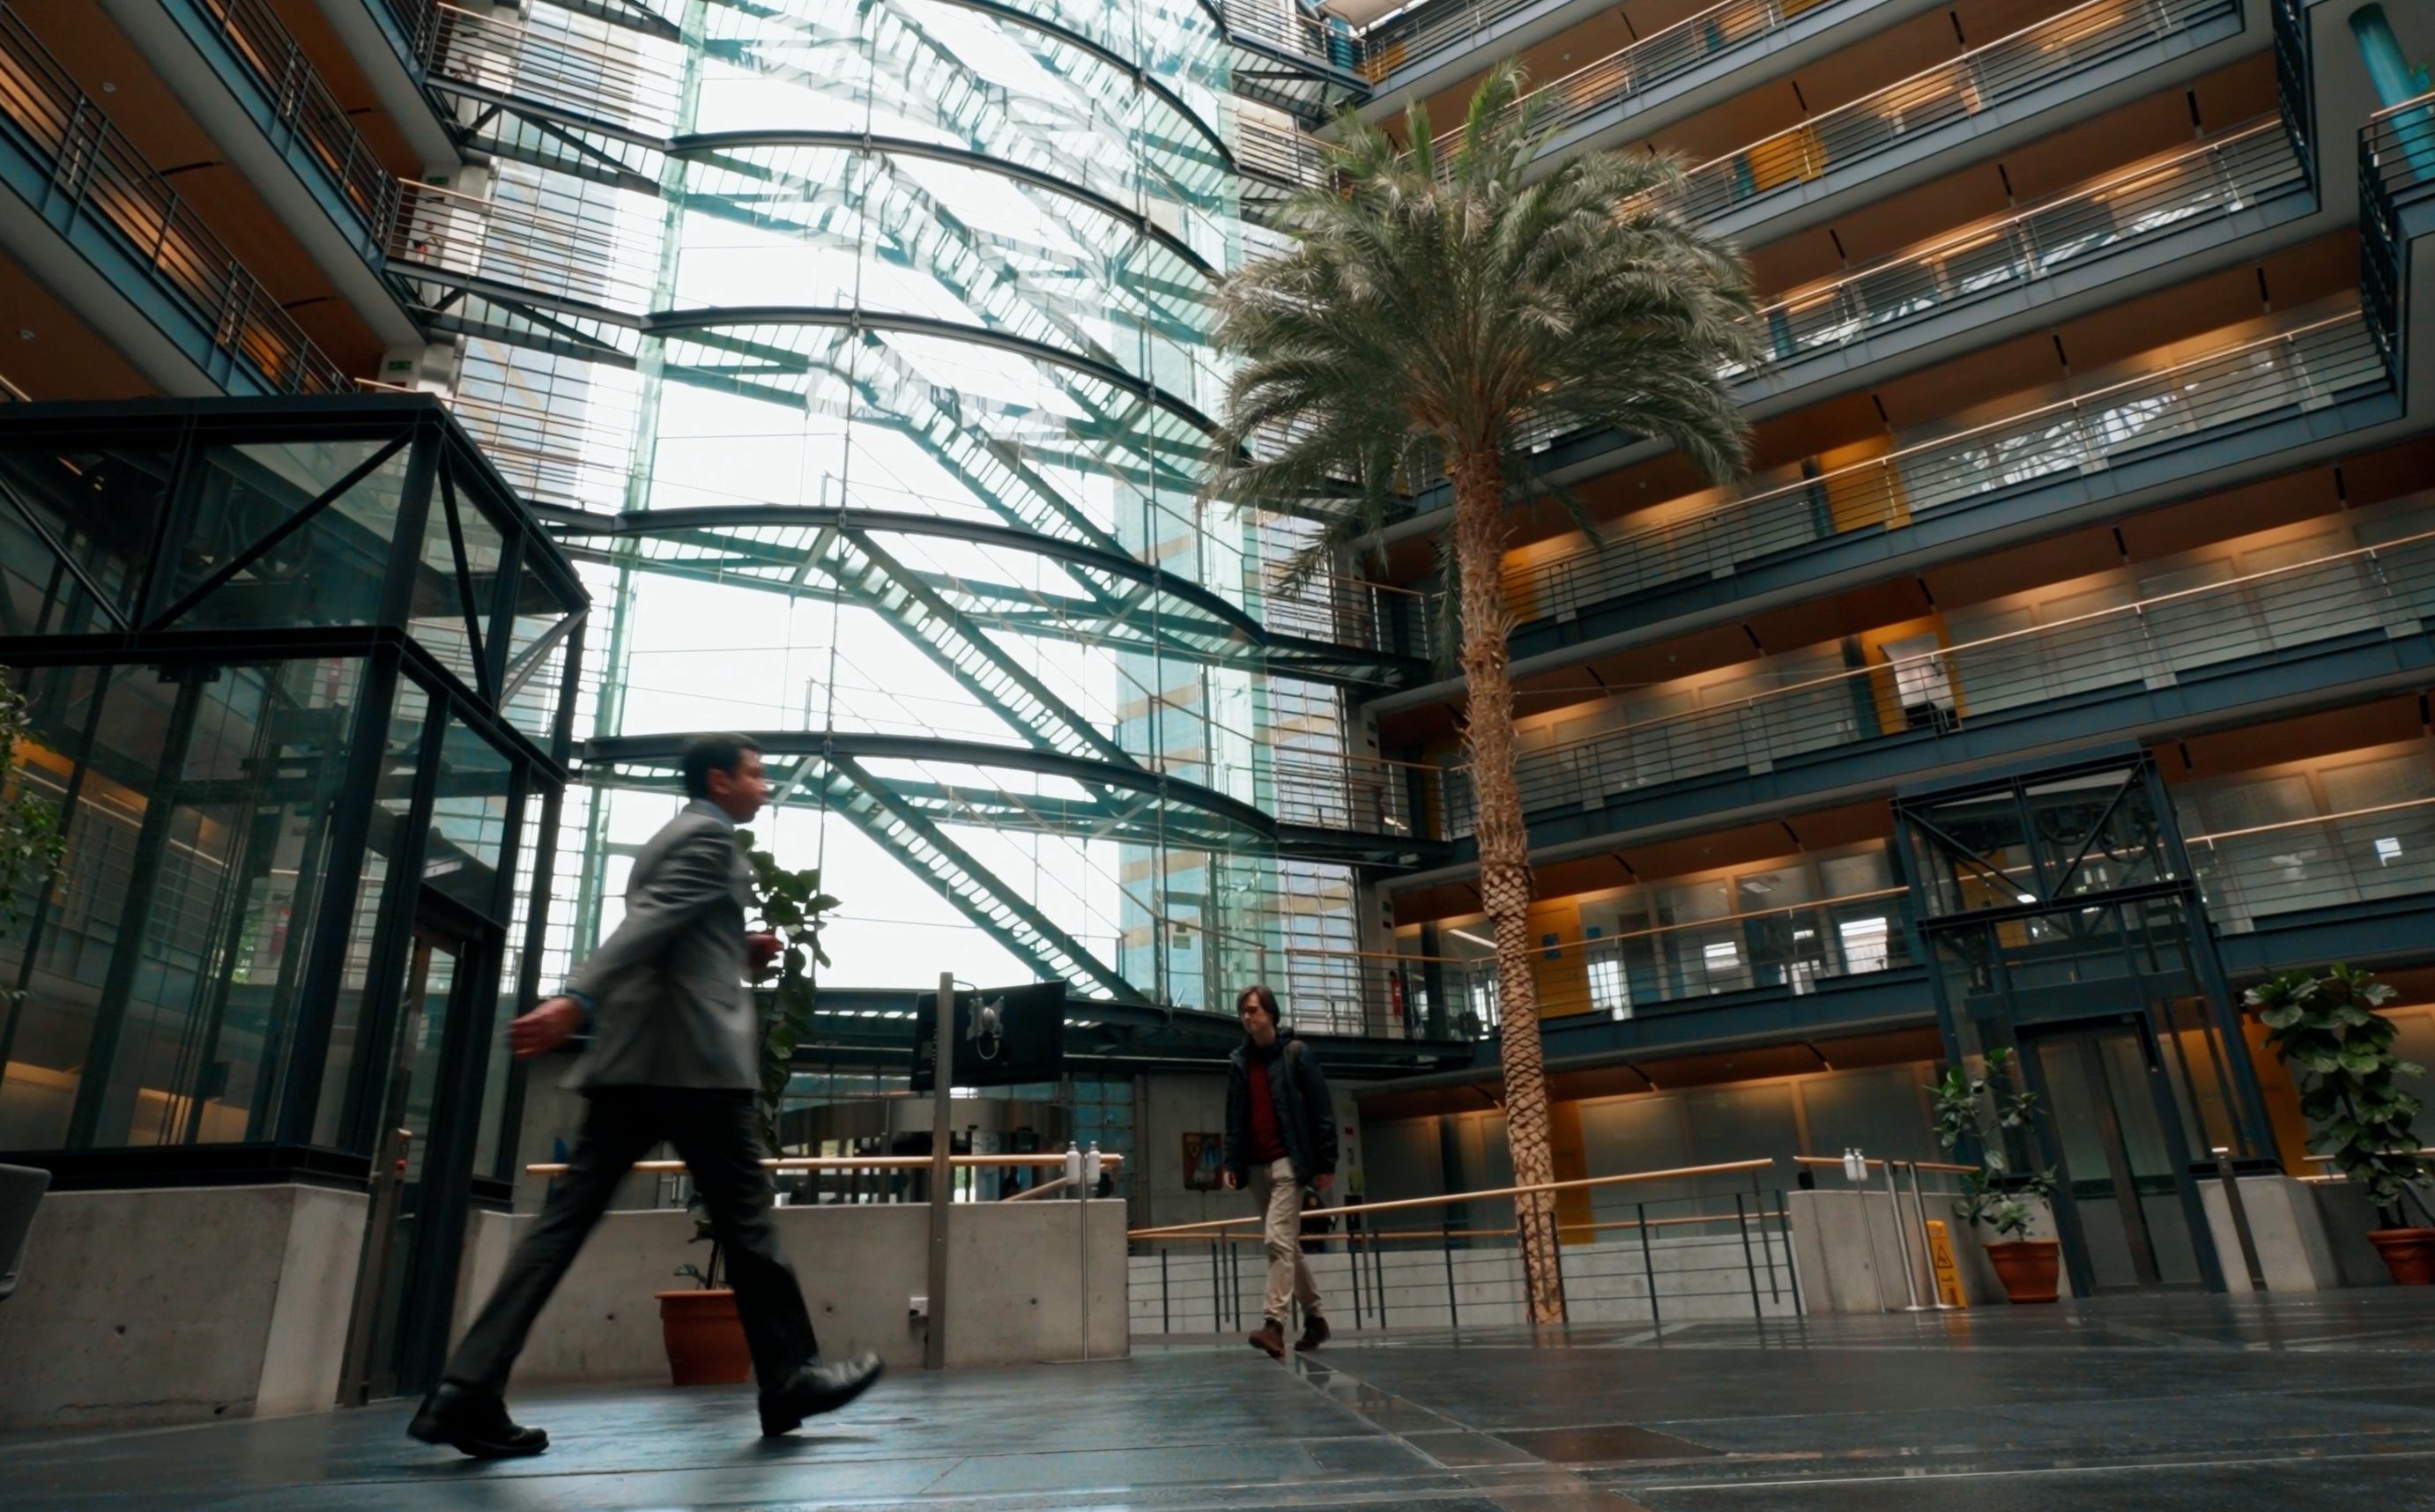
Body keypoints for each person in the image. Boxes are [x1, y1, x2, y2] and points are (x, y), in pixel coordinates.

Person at [409, 734, 883, 1458]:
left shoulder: (673, 837)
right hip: (691, 1066)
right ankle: (790, 1377)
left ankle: (465, 1391)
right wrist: (576, 999)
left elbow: (673, 933)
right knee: (749, 1226)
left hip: (639, 1065)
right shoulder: (707, 839)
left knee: (561, 1230)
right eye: (755, 773)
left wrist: (737, 948)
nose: (764, 784)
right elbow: (649, 925)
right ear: (718, 780)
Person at [1221, 984, 1338, 1359]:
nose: (1247, 1017)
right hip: (1256, 1167)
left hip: (1289, 1162)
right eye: (1243, 1011)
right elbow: (1234, 1118)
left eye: (1253, 1010)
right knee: (1288, 1246)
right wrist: (1231, 1162)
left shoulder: (1296, 1054)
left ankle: (1274, 1324)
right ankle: (1316, 1320)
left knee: (1276, 1240)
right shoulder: (1240, 1062)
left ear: (1271, 1013)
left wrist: (1326, 1163)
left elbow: (1321, 1109)